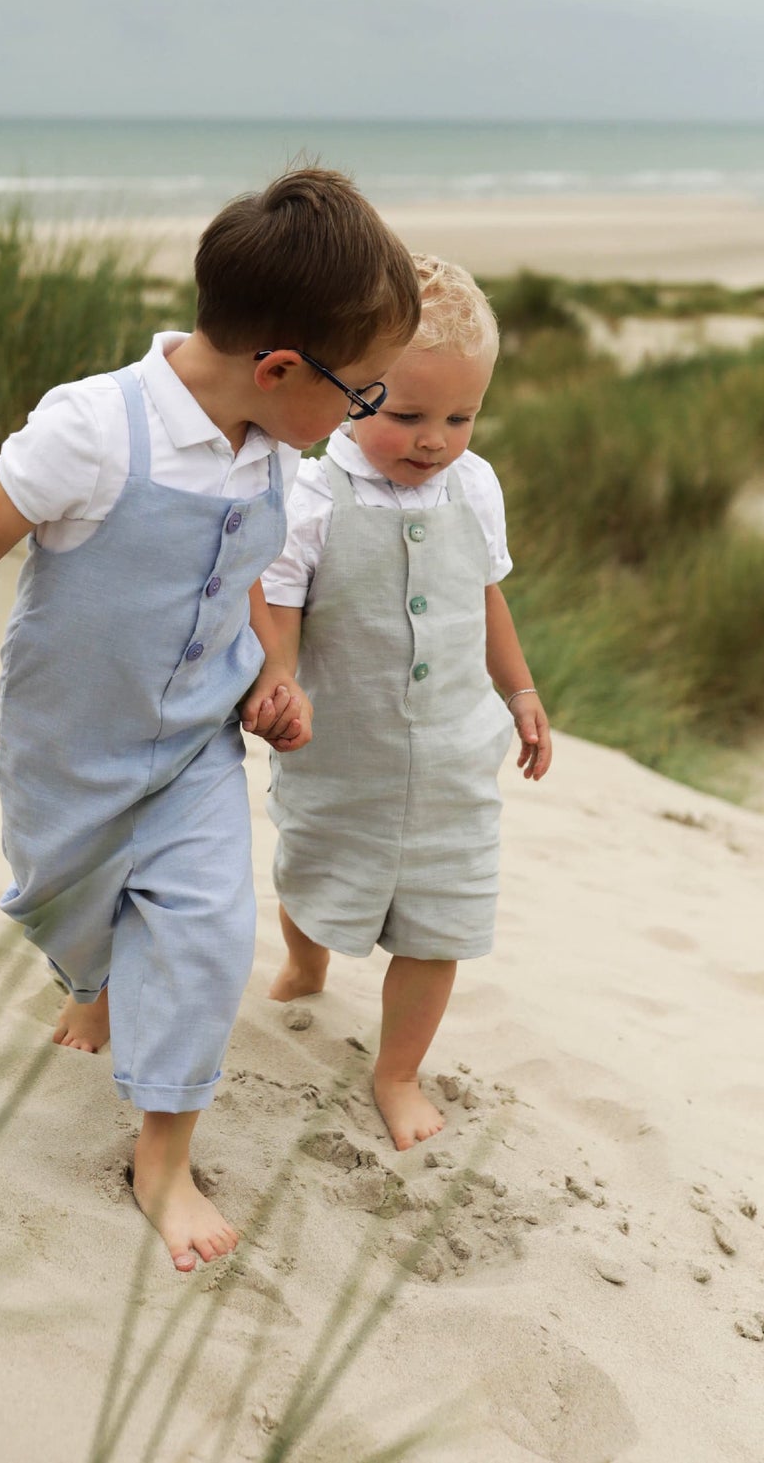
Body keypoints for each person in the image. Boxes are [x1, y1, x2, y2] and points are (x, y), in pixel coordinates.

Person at [0, 169, 419, 1270]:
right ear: (278, 368)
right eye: (360, 395)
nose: (360, 417)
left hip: (194, 753)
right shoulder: (94, 430)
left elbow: (249, 571)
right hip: (69, 750)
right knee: (64, 903)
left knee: (205, 932)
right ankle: (91, 980)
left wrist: (268, 673)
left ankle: (163, 1153)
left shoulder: (270, 442)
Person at [260, 254, 552, 1152]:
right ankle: (306, 958)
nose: (435, 438)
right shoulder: (311, 496)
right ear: (350, 394)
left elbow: (485, 595)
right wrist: (278, 679)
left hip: (454, 760)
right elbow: (275, 598)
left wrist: (521, 688)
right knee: (312, 877)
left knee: (441, 919)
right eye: (407, 414)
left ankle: (396, 1070)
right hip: (341, 752)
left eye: (460, 416)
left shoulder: (475, 484)